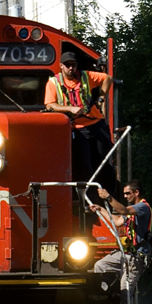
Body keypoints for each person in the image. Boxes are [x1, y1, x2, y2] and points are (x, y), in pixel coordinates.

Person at [44, 49, 119, 196]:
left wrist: (101, 98)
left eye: (73, 64)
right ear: (61, 66)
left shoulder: (85, 76)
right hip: (76, 129)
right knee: (84, 166)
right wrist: (69, 108)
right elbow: (50, 104)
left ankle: (110, 197)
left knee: (105, 163)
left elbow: (107, 78)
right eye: (67, 65)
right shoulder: (53, 83)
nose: (71, 68)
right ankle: (89, 201)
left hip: (97, 124)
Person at [89, 180, 151, 284]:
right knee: (101, 265)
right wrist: (101, 210)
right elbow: (118, 221)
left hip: (137, 257)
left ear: (136, 193)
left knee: (125, 291)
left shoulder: (142, 207)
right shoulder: (131, 210)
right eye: (124, 194)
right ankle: (105, 293)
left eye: (128, 193)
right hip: (126, 255)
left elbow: (123, 211)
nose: (125, 196)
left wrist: (108, 197)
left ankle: (125, 298)